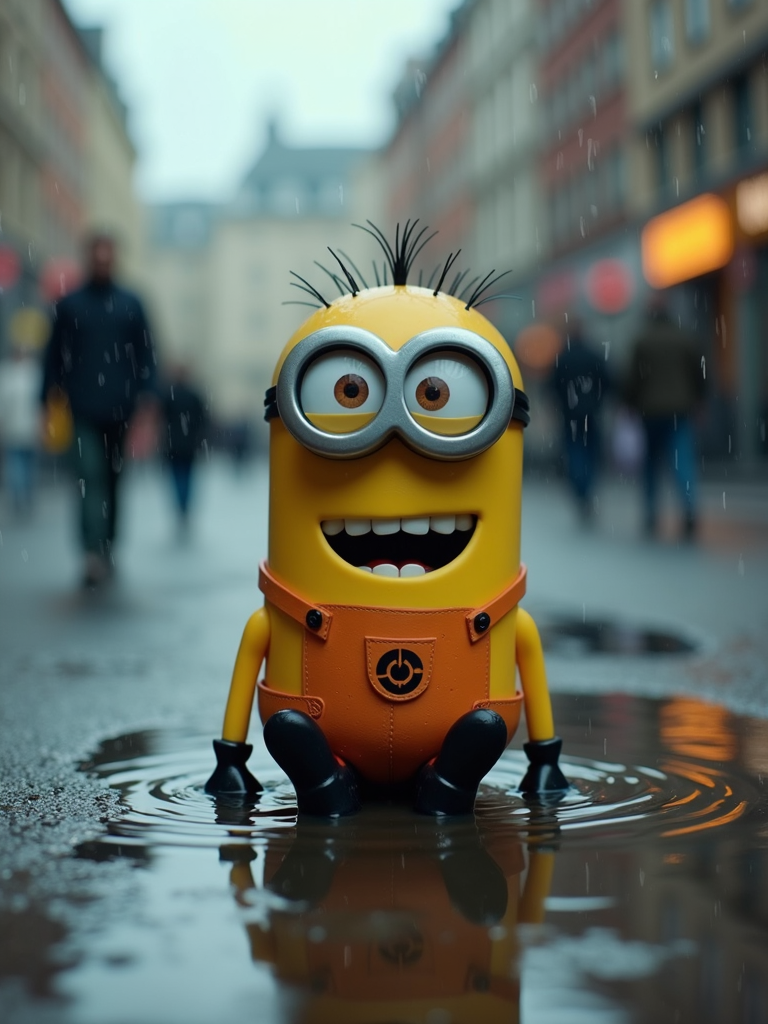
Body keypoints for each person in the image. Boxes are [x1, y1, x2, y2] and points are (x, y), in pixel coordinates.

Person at [40, 232, 157, 586]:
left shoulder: (131, 304)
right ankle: (91, 551)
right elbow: (53, 358)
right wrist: (45, 401)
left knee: (114, 481)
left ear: (114, 259)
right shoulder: (70, 305)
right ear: (89, 258)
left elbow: (147, 356)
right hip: (82, 409)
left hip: (121, 410)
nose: (103, 261)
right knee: (90, 477)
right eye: (97, 255)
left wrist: (148, 401)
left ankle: (108, 546)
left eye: (108, 256)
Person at [625, 298, 705, 541]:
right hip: (680, 409)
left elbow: (632, 378)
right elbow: (699, 373)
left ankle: (651, 513)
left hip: (649, 411)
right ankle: (689, 510)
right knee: (683, 461)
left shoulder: (642, 341)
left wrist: (629, 403)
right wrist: (700, 400)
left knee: (650, 465)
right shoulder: (684, 338)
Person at [547, 320, 610, 523]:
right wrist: (598, 400)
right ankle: (587, 488)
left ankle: (580, 490)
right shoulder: (593, 356)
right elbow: (608, 381)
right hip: (591, 413)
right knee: (590, 452)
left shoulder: (563, 358)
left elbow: (553, 385)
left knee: (574, 451)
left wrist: (561, 403)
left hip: (570, 414)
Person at [159, 363, 208, 534]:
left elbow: (161, 419)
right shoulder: (194, 396)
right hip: (189, 445)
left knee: (176, 477)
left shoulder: (169, 396)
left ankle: (180, 507)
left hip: (173, 445)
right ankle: (185, 507)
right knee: (188, 478)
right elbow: (203, 419)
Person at [0, 347, 42, 516]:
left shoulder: (7, 375)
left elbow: (3, 404)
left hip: (14, 427)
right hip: (31, 428)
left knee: (16, 463)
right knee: (27, 464)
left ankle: (19, 495)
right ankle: (25, 495)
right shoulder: (34, 374)